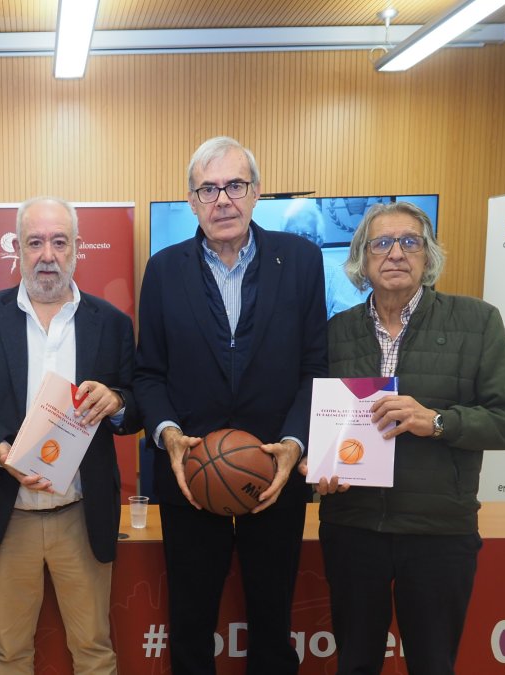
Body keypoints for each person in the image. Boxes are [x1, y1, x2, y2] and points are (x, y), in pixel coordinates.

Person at [307, 201, 505, 674]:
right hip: (353, 527)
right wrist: (317, 466)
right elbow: (317, 422)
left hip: (438, 531)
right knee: (354, 664)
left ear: (428, 256)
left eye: (410, 241)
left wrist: (438, 421)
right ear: (362, 258)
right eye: (381, 243)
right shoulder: (334, 333)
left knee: (432, 664)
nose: (396, 253)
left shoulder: (476, 321)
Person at [134, 136, 328, 674]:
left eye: (235, 186)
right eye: (208, 189)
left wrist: (294, 444)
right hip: (191, 476)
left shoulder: (302, 260)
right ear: (191, 200)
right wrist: (168, 434)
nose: (222, 200)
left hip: (275, 475)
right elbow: (148, 374)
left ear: (256, 192)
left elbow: (315, 367)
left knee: (272, 625)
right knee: (191, 626)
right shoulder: (163, 269)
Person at [0, 196, 139, 674]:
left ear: (77, 248)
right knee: (10, 655)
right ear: (18, 249)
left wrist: (117, 401)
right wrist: (1, 450)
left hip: (81, 515)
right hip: (8, 515)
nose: (48, 255)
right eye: (35, 242)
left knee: (94, 651)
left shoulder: (111, 323)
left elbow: (135, 400)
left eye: (59, 242)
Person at [281, 199, 368, 317]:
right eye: (291, 234)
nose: (298, 242)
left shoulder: (336, 274)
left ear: (319, 241)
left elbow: (352, 319)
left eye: (306, 235)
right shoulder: (268, 269)